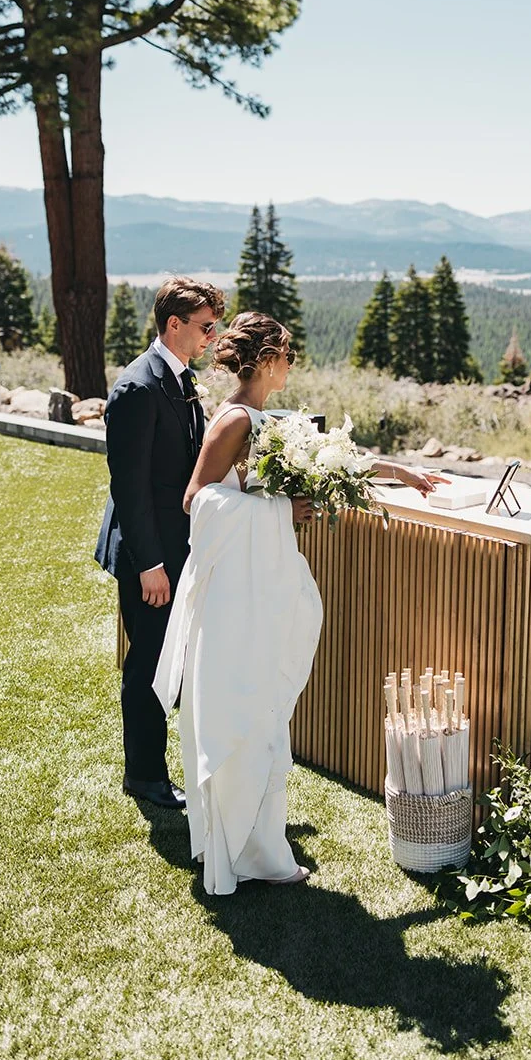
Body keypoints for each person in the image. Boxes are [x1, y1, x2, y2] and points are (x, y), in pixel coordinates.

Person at [154, 311, 446, 894]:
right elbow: (196, 501)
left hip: (265, 584)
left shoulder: (270, 420)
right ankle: (245, 850)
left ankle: (258, 849)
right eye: (286, 354)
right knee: (243, 709)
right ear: (263, 359)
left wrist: (401, 473)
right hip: (237, 591)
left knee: (265, 709)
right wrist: (278, 512)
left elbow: (329, 463)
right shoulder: (234, 420)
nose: (291, 363)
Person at [95, 275, 225, 808]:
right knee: (147, 661)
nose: (212, 337)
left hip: (175, 547)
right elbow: (128, 486)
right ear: (174, 325)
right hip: (148, 554)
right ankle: (144, 775)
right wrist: (150, 564)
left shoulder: (179, 377)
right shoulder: (137, 387)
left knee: (165, 657)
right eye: (205, 327)